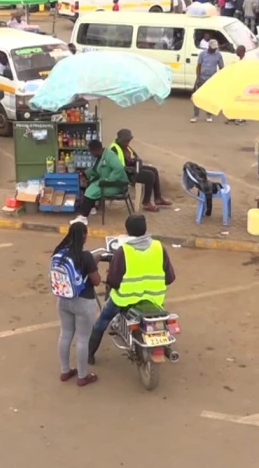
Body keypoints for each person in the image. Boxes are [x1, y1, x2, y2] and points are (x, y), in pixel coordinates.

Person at [88, 214, 176, 365]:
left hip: (125, 299)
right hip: (153, 299)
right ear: (145, 229)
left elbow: (114, 281)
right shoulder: (159, 247)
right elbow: (170, 278)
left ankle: (90, 355)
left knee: (102, 320)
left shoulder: (124, 251)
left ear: (127, 231)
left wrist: (109, 281)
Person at [51, 222, 101, 387]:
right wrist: (95, 263)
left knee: (65, 334)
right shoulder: (85, 256)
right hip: (83, 302)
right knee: (83, 339)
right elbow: (96, 281)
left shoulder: (59, 252)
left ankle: (65, 371)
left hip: (63, 300)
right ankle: (82, 376)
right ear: (84, 236)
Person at [110, 128, 172, 212]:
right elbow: (117, 166)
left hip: (132, 169)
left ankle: (158, 198)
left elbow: (135, 156)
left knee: (154, 170)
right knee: (150, 176)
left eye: (129, 141)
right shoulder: (114, 149)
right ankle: (146, 202)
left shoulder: (126, 147)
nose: (128, 143)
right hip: (125, 174)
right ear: (121, 140)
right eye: (126, 141)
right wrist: (132, 168)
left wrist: (137, 161)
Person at [75, 139, 130, 220]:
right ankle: (91, 208)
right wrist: (85, 173)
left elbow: (119, 167)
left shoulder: (109, 155)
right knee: (90, 184)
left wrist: (108, 180)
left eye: (91, 152)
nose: (91, 154)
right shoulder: (100, 156)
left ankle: (83, 218)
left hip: (118, 185)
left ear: (95, 150)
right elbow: (96, 170)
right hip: (108, 183)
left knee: (91, 190)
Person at [191, 39, 225, 123]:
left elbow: (221, 68)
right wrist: (198, 78)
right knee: (198, 97)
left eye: (215, 48)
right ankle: (195, 115)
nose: (214, 49)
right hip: (202, 78)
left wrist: (219, 79)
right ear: (209, 46)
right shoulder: (202, 54)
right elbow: (199, 66)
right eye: (212, 48)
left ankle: (209, 115)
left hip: (211, 79)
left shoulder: (218, 55)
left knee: (209, 98)